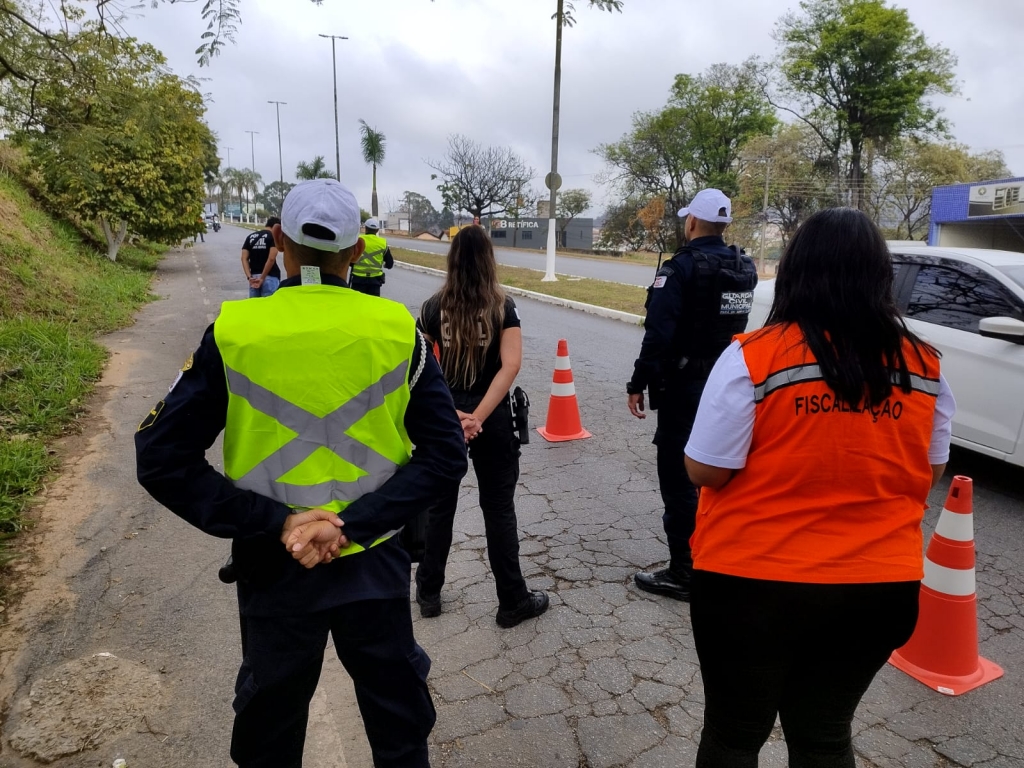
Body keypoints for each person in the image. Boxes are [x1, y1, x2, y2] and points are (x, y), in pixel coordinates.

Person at [135, 179, 468, 768]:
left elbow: (161, 457)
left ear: (279, 242)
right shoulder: (398, 333)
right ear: (359, 251)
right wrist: (351, 526)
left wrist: (276, 522)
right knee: (398, 730)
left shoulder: (235, 332)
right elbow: (444, 456)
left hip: (274, 563)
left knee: (271, 731)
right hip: (374, 561)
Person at [683, 208, 955, 767]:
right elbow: (924, 475)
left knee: (735, 736)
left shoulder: (753, 356)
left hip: (752, 584)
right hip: (877, 588)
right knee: (825, 733)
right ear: (879, 276)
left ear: (795, 272)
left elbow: (706, 469)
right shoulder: (925, 367)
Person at [414, 225, 549, 629]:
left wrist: (453, 414)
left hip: (445, 417)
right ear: (490, 259)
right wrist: (481, 416)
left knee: (440, 508)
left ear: (452, 260)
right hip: (493, 420)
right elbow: (511, 365)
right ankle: (512, 600)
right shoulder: (504, 307)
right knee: (498, 509)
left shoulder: (432, 308)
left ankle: (428, 592)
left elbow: (424, 368)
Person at [626, 188, 757, 601]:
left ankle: (684, 570)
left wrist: (637, 383)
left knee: (680, 477)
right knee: (720, 475)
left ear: (693, 222)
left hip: (685, 388)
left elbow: (659, 334)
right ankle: (719, 560)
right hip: (730, 385)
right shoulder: (743, 267)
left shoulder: (680, 269)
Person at [350, 217, 394, 296]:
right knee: (372, 306)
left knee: (357, 305)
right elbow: (390, 264)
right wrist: (385, 265)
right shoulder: (382, 243)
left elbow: (349, 261)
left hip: (358, 280)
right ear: (377, 230)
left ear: (365, 228)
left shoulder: (358, 240)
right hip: (375, 281)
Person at [241, 217, 282, 298]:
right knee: (269, 308)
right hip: (270, 277)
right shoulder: (273, 236)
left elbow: (244, 258)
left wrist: (249, 277)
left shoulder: (250, 237)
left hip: (254, 279)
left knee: (255, 308)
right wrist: (262, 278)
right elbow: (271, 258)